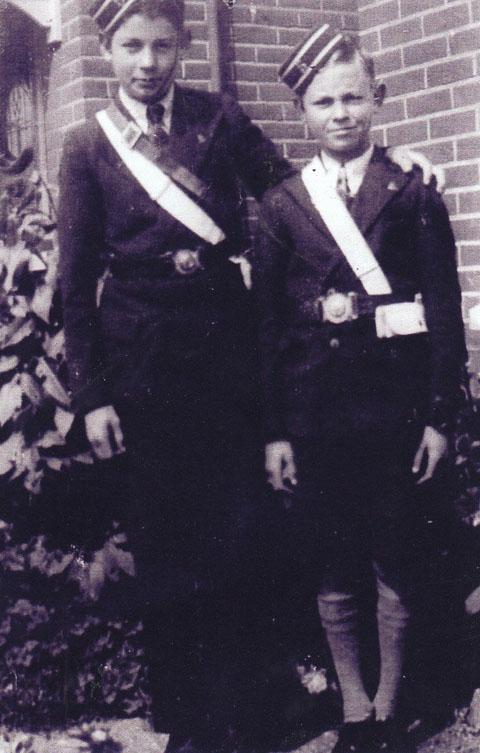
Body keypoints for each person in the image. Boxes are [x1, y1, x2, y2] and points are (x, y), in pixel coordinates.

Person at [57, 2, 445, 750]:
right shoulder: (87, 146)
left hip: (226, 356)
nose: (148, 62)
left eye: (162, 45)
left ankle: (256, 704)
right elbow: (75, 283)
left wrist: (396, 161)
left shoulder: (219, 117)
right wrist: (93, 392)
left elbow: (300, 196)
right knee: (166, 539)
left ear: (184, 46)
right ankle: (191, 719)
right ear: (107, 50)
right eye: (132, 46)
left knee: (243, 533)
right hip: (142, 363)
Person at [253, 26, 466, 753]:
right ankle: (352, 707)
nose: (340, 113)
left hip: (395, 414)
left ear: (377, 100)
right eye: (324, 102)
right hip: (315, 417)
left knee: (396, 554)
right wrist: (275, 430)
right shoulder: (282, 206)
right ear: (304, 116)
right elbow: (268, 329)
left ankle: (390, 704)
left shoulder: (411, 193)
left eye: (352, 97)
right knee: (332, 558)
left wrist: (442, 416)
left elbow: (444, 311)